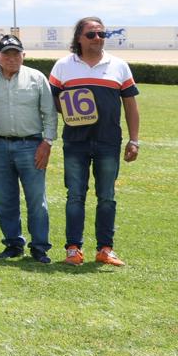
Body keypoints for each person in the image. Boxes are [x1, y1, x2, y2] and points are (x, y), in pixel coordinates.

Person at [49, 16, 141, 267]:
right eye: (91, 34)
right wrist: (69, 108)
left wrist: (134, 140)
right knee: (75, 196)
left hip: (108, 142)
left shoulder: (119, 66)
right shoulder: (63, 66)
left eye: (102, 34)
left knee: (107, 196)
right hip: (75, 142)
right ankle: (73, 249)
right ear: (79, 38)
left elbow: (130, 105)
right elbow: (50, 99)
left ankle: (105, 249)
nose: (98, 38)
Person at [0, 35, 55, 263]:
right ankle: (13, 244)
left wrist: (47, 142)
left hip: (31, 145)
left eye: (16, 53)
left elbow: (49, 113)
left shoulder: (37, 78)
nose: (11, 58)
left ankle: (39, 247)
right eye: (6, 54)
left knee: (36, 199)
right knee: (3, 199)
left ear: (23, 55)